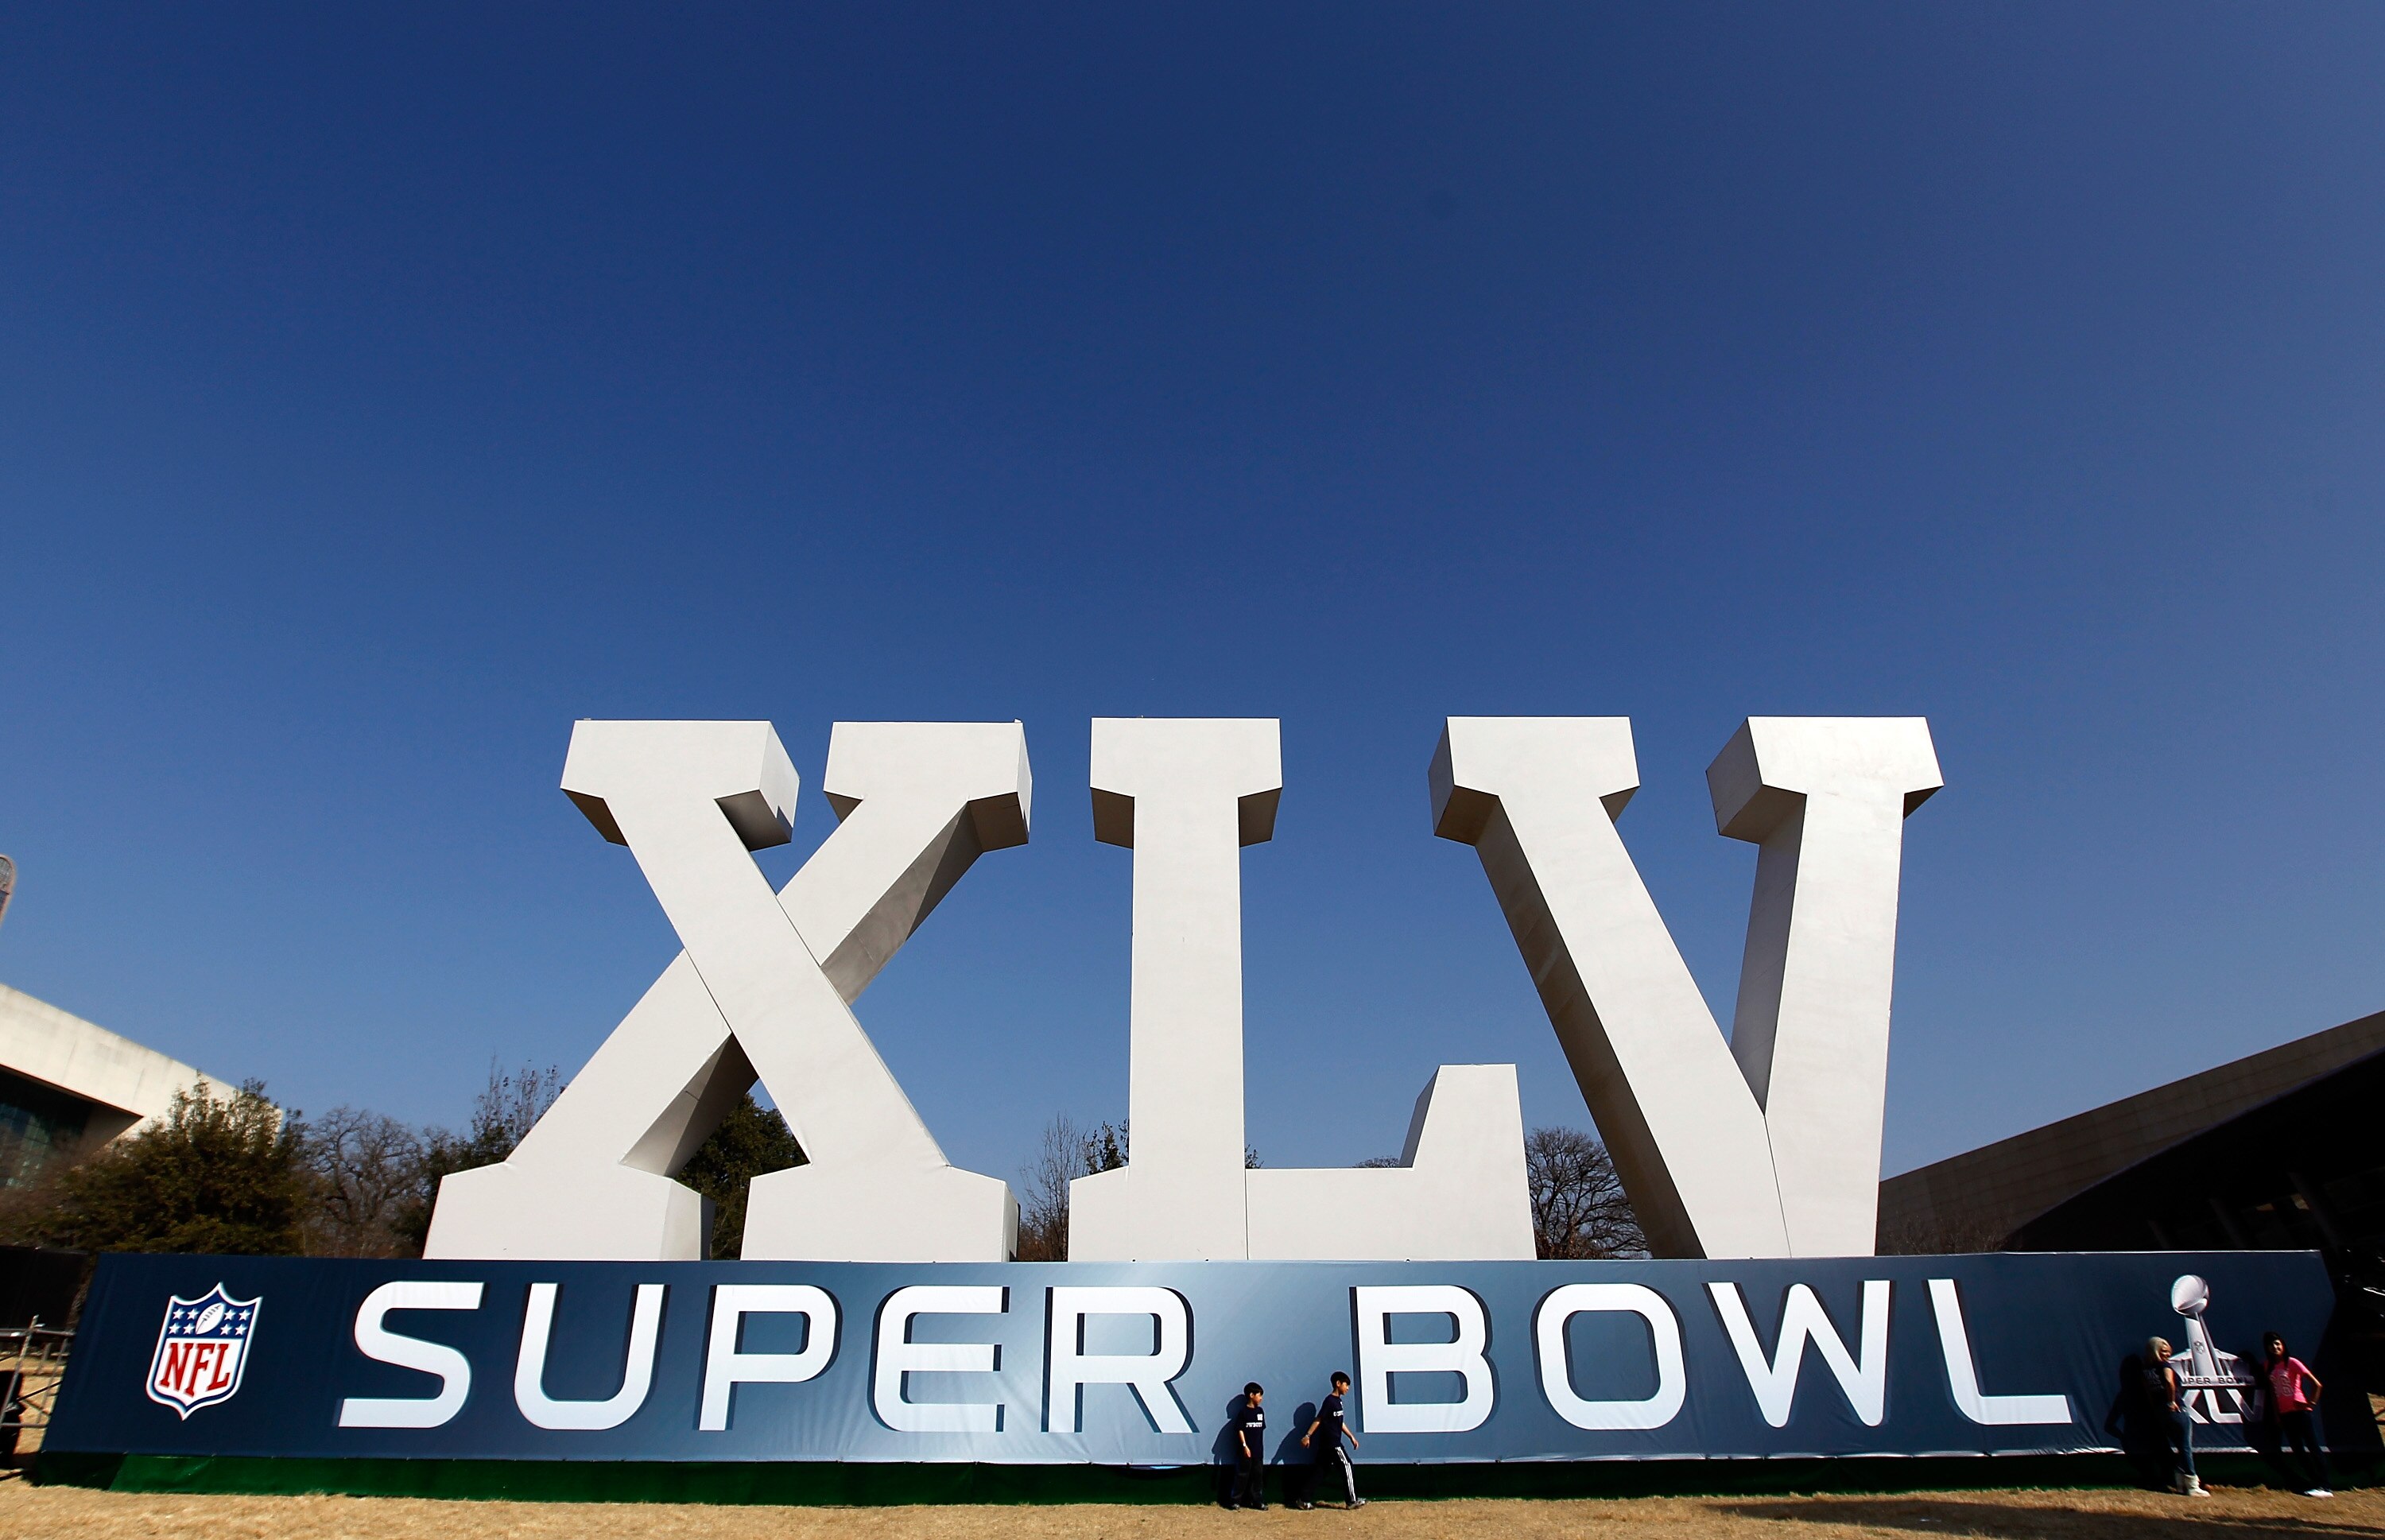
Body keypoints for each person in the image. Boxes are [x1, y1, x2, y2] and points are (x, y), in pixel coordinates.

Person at [2259, 1332, 2333, 1498]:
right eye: (2272, 1345)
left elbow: (2317, 1384)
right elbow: (2272, 1392)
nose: (2275, 1348)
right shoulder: (2267, 1366)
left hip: (2300, 1412)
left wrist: (2311, 1404)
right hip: (2285, 1414)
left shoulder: (2292, 1363)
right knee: (2298, 1451)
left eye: (2278, 1344)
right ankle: (2315, 1483)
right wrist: (2277, 1414)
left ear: (2283, 1345)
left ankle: (2326, 1486)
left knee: (2313, 1447)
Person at [2142, 1336, 2206, 1496]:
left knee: (2180, 1447)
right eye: (2163, 1351)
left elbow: (2148, 1392)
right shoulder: (2164, 1366)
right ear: (2155, 1351)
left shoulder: (2146, 1371)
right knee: (2185, 1447)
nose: (2167, 1354)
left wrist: (2156, 1409)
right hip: (2175, 1410)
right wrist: (2171, 1402)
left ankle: (2180, 1484)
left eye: (2169, 1351)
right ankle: (2192, 1484)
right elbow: (2169, 1382)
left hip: (2160, 1412)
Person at [1300, 1371, 1365, 1509]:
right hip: (1332, 1443)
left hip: (1327, 1445)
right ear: (1338, 1384)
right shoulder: (1329, 1401)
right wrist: (1307, 1436)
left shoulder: (1339, 1402)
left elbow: (1339, 1422)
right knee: (1347, 1466)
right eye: (1346, 1385)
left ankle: (1303, 1500)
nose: (1348, 1388)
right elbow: (1319, 1419)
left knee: (1320, 1471)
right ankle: (1351, 1501)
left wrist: (1351, 1436)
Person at [1228, 1383, 1268, 1511]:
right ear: (1251, 1395)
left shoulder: (1260, 1411)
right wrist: (1245, 1446)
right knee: (1242, 1476)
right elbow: (1240, 1429)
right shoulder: (1243, 1412)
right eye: (1259, 1395)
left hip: (1258, 1452)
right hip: (1245, 1452)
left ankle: (1257, 1501)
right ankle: (1235, 1501)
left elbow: (1261, 1429)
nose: (1261, 1398)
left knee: (1257, 1477)